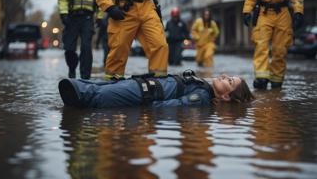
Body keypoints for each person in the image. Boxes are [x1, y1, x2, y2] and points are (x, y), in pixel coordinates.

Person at [58, 70, 255, 108]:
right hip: (140, 85)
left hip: (142, 94)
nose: (224, 76)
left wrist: (145, 106)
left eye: (229, 81)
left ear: (227, 97)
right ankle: (76, 89)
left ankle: (77, 100)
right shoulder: (203, 85)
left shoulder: (203, 97)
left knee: (98, 96)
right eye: (228, 76)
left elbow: (173, 105)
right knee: (99, 85)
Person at [96, 0, 169, 80]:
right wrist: (109, 7)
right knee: (119, 46)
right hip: (123, 7)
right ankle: (112, 79)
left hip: (146, 6)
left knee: (159, 44)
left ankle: (159, 78)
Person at [243, 0, 304, 89]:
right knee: (261, 45)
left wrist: (298, 12)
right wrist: (247, 11)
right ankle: (261, 77)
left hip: (283, 13)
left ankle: (277, 78)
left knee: (281, 48)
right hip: (264, 13)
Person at [58, 0, 96, 79]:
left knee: (86, 47)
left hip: (88, 18)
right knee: (69, 49)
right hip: (72, 17)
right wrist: (63, 14)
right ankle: (72, 68)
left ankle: (85, 77)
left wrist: (100, 16)